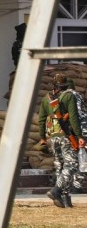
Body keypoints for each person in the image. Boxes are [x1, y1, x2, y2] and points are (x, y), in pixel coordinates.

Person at [37, 72, 82, 208]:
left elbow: (41, 120)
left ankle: (65, 200)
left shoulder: (47, 98)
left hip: (53, 136)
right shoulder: (69, 96)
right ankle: (56, 190)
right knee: (72, 165)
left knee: (60, 166)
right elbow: (73, 118)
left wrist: (43, 138)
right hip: (66, 135)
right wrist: (79, 136)